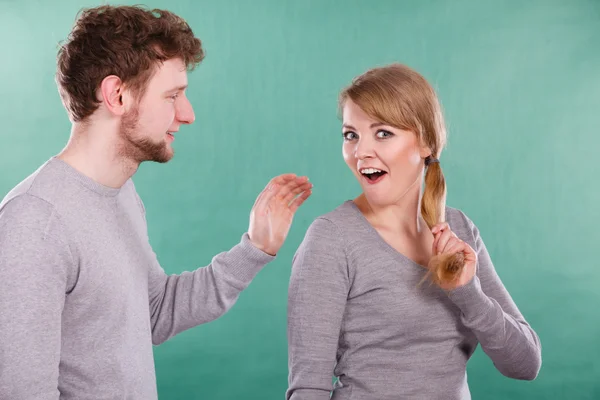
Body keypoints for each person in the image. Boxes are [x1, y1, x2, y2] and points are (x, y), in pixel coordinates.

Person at [0, 5, 312, 400]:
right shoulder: (35, 223)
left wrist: (254, 250)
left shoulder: (122, 194)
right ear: (117, 95)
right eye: (173, 95)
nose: (188, 113)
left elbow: (154, 313)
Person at [286, 63, 541, 400]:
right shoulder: (332, 238)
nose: (361, 152)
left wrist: (468, 292)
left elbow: (525, 364)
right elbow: (308, 389)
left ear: (425, 143)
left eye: (383, 133)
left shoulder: (461, 230)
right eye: (351, 135)